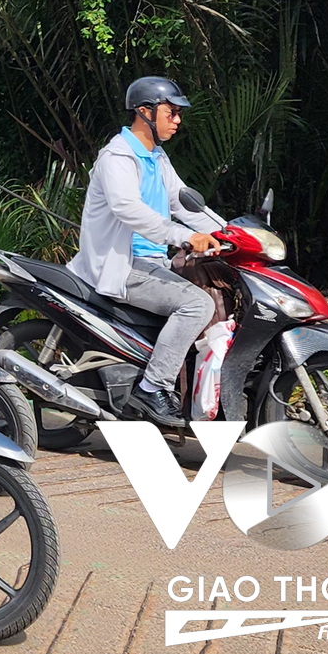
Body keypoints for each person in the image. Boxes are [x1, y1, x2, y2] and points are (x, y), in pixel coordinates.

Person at [68, 75, 221, 427]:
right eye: (172, 112)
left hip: (152, 262)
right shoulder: (117, 157)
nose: (178, 120)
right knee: (197, 304)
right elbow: (128, 210)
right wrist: (184, 237)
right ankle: (153, 388)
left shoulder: (157, 157)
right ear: (144, 112)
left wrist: (229, 232)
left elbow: (183, 202)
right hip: (119, 265)